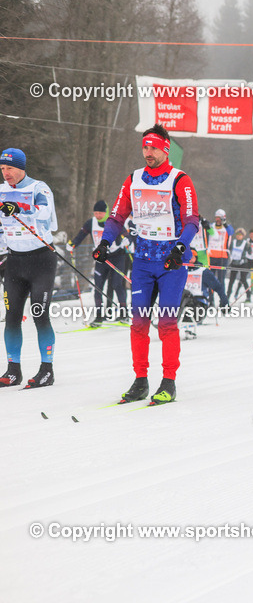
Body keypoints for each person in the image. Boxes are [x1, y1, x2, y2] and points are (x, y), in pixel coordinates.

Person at [97, 125, 200, 403]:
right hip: (142, 261)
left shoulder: (180, 180)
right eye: (145, 146)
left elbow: (192, 220)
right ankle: (140, 380)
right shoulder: (134, 179)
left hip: (170, 264)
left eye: (153, 147)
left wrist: (180, 247)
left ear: (165, 149)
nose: (148, 152)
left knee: (166, 323)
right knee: (138, 324)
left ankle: (168, 382)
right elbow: (117, 216)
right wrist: (105, 242)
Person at [0, 147, 58, 388]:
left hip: (41, 260)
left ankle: (47, 370)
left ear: (21, 168)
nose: (6, 173)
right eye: (2, 168)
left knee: (39, 315)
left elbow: (45, 213)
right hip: (15, 261)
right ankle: (13, 370)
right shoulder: (1, 191)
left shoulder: (38, 188)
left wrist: (20, 208)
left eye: (10, 168)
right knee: (12, 317)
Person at [68, 199, 130, 326]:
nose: (98, 215)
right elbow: (80, 236)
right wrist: (72, 244)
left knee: (117, 284)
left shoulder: (114, 221)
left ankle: (124, 314)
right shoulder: (91, 223)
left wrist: (126, 240)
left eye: (100, 213)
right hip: (101, 258)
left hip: (117, 256)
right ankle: (99, 316)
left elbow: (126, 234)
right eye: (95, 213)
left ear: (106, 212)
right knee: (98, 287)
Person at [204, 209, 232, 285]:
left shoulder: (227, 227)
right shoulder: (211, 226)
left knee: (221, 279)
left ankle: (222, 292)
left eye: (220, 218)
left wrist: (225, 224)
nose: (218, 220)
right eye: (216, 218)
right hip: (211, 256)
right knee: (210, 278)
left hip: (222, 257)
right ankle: (210, 293)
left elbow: (231, 232)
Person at [226, 227, 249, 302]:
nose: (238, 236)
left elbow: (249, 252)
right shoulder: (233, 242)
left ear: (243, 236)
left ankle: (248, 295)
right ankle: (228, 296)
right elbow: (229, 250)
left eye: (240, 235)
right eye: (237, 234)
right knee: (231, 280)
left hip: (243, 263)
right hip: (234, 263)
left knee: (243, 279)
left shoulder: (245, 243)